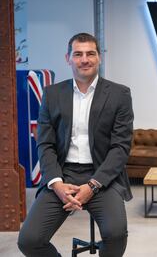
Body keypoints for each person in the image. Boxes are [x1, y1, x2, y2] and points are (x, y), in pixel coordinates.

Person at [18, 33, 134, 257]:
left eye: (91, 53)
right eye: (78, 54)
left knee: (116, 235)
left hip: (102, 177)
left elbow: (120, 148)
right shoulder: (52, 94)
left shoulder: (119, 94)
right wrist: (56, 183)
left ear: (99, 58)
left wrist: (92, 186)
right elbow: (45, 144)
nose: (84, 59)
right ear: (67, 58)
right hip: (63, 175)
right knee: (29, 240)